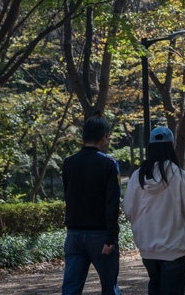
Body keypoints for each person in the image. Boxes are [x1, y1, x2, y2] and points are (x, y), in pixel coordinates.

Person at [123, 126, 185, 295]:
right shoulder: (178, 175)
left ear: (150, 147)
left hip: (148, 249)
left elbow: (128, 211)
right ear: (171, 145)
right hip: (174, 249)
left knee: (155, 287)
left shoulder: (137, 176)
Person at [62, 114, 121, 295]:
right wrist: (112, 237)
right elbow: (112, 202)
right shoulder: (109, 164)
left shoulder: (68, 163)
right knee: (109, 287)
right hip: (101, 234)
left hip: (73, 234)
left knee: (71, 288)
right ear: (103, 137)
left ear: (83, 137)